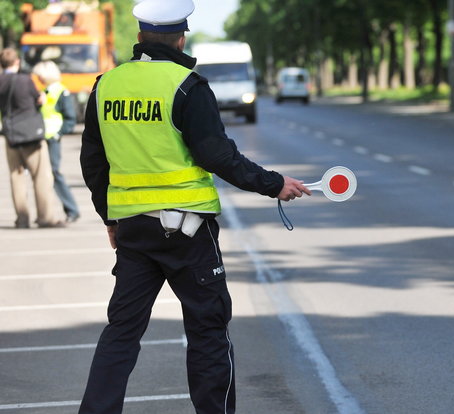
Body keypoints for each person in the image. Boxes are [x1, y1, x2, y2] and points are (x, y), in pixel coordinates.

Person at [77, 0, 311, 412]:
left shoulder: (105, 86)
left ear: (139, 38)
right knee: (207, 331)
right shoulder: (188, 86)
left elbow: (93, 163)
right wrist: (275, 184)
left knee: (121, 334)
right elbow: (217, 156)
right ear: (182, 37)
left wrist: (110, 218)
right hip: (189, 234)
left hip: (133, 231)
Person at [0, 48, 64, 228]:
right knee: (41, 176)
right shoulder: (25, 80)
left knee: (16, 176)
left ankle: (22, 219)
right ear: (17, 62)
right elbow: (39, 100)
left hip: (11, 134)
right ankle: (46, 217)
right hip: (31, 134)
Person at [32, 60, 80, 222]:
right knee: (47, 175)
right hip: (43, 137)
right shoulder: (44, 91)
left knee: (54, 173)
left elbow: (70, 118)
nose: (38, 78)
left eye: (40, 75)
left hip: (52, 138)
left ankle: (72, 209)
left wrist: (58, 134)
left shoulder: (61, 91)